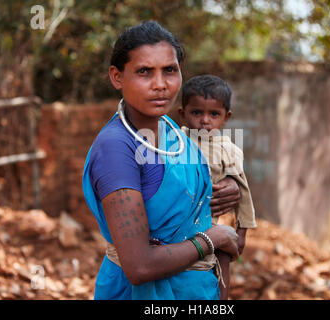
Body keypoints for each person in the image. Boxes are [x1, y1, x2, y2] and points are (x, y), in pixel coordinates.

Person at [82, 21, 242, 300]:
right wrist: (212, 239)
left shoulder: (172, 130)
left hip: (197, 291)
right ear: (117, 77)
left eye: (170, 70)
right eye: (144, 72)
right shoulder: (116, 150)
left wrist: (230, 184)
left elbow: (198, 186)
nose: (160, 85)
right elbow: (140, 266)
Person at [178, 74, 257, 299]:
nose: (205, 120)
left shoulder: (228, 150)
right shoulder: (175, 142)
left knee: (222, 257)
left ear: (226, 118)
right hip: (180, 224)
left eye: (214, 114)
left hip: (214, 223)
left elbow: (244, 195)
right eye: (196, 113)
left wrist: (242, 233)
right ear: (182, 114)